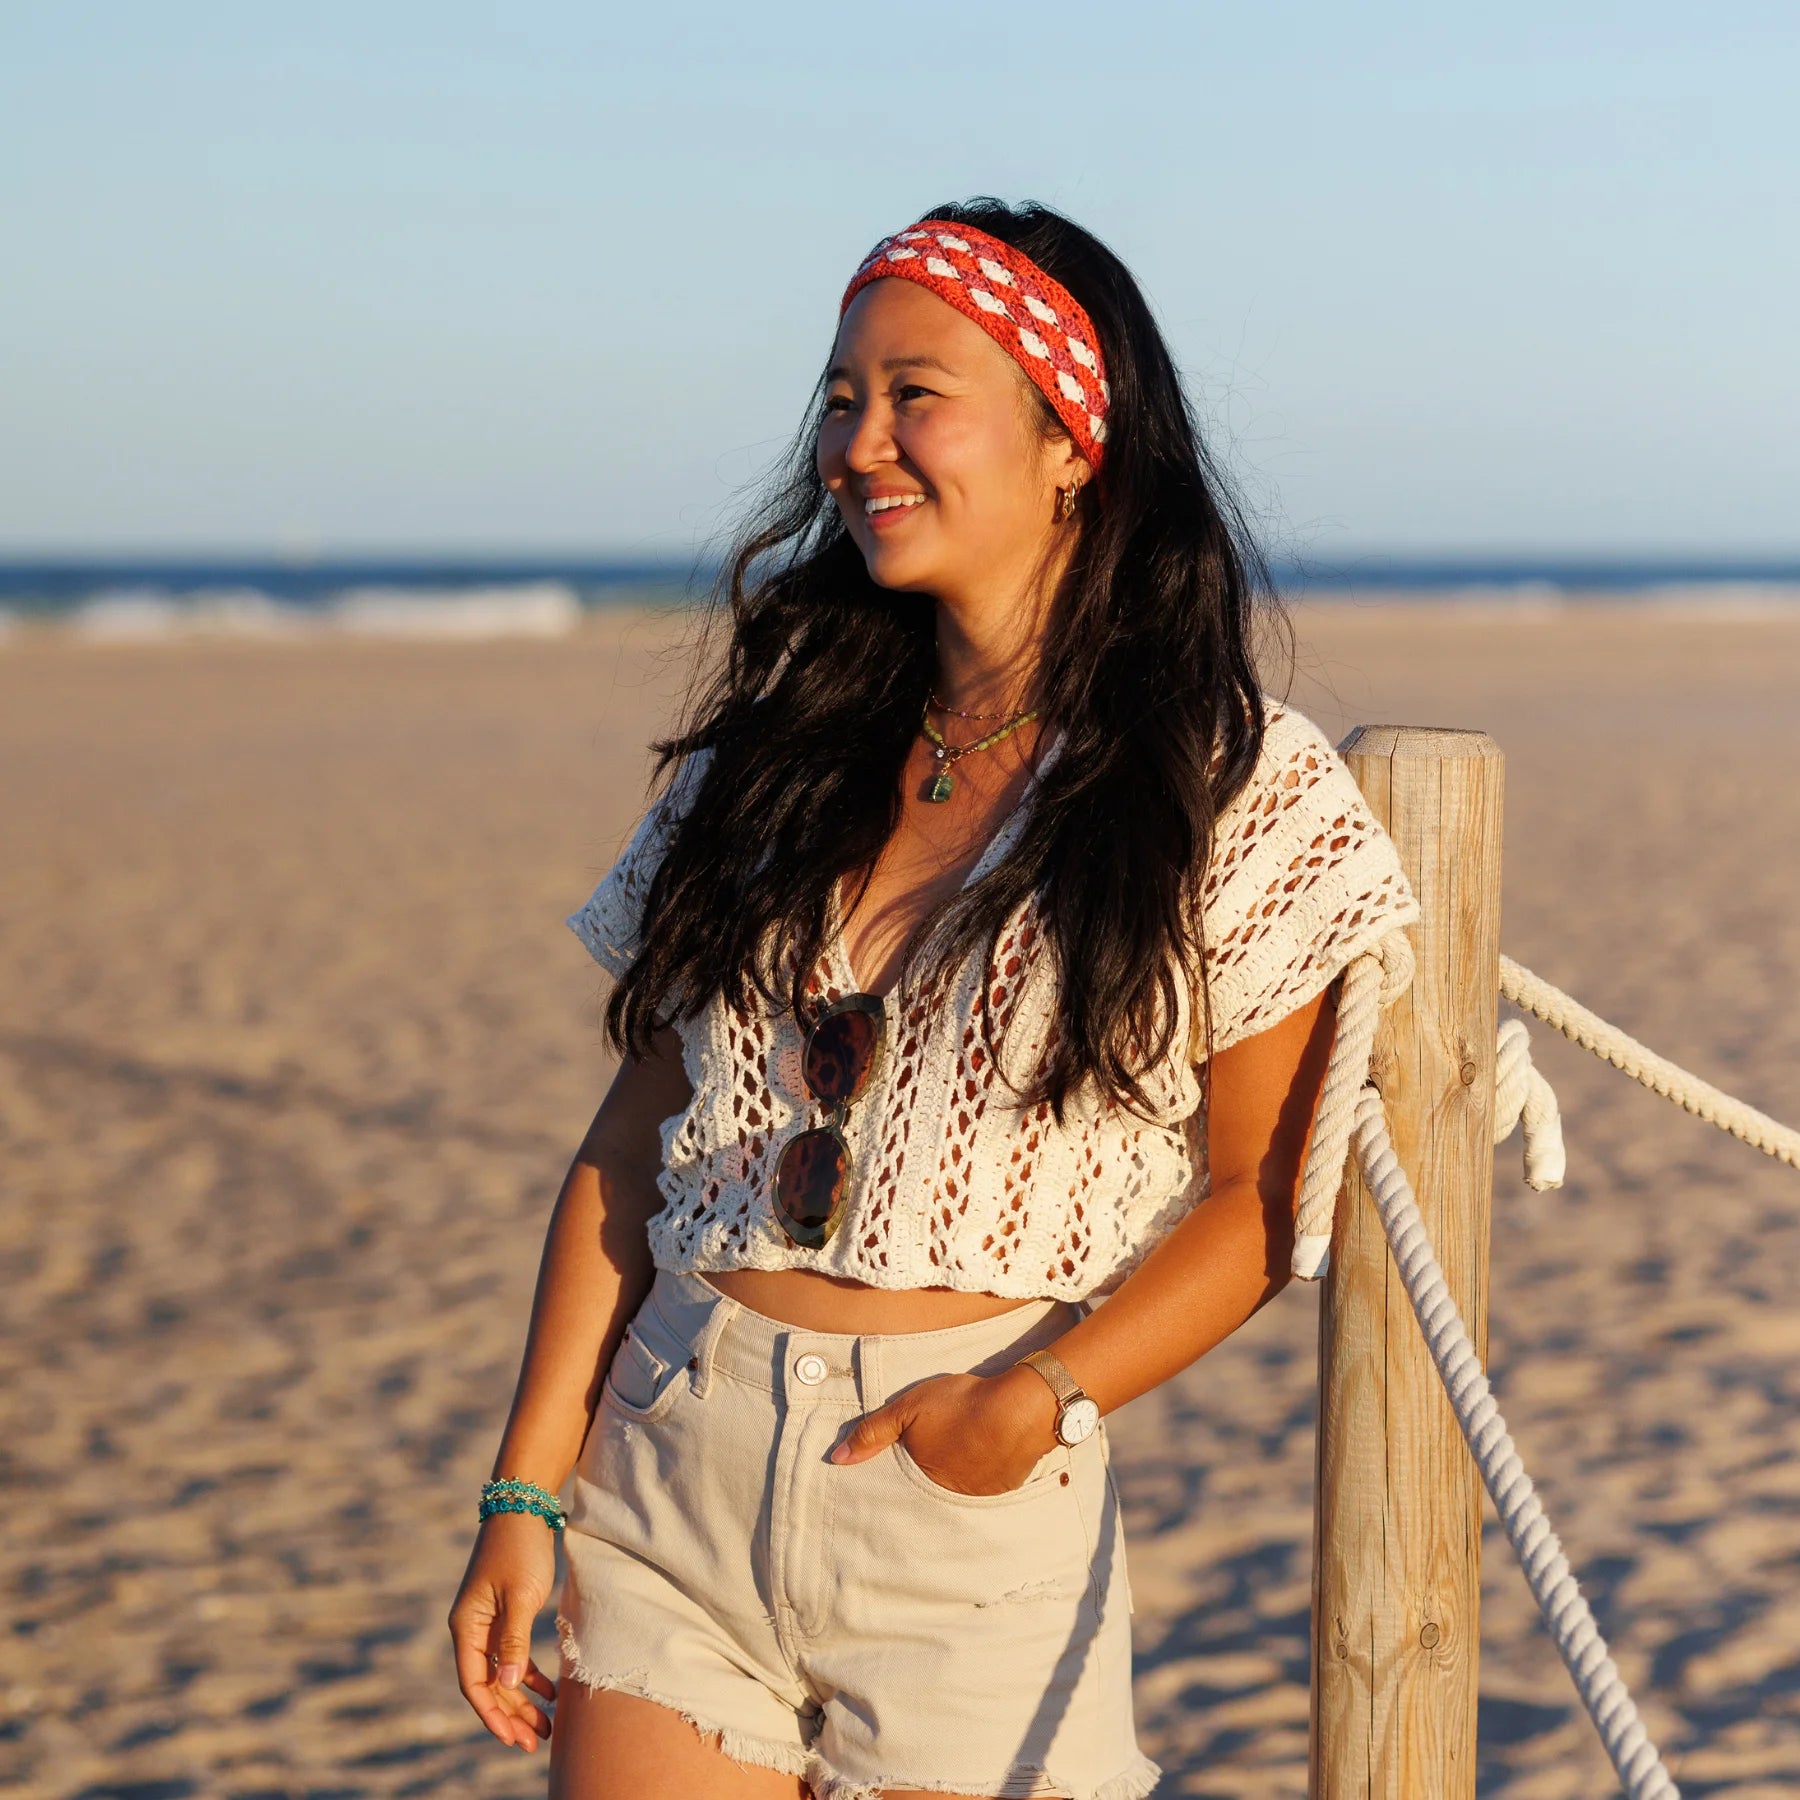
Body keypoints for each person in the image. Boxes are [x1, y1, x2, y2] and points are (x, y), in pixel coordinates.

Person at [448, 198, 1420, 1800]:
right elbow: (636, 1142)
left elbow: (1262, 1198)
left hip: (963, 1498)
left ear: (1068, 440)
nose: (860, 440)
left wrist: (1040, 1398)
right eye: (841, 396)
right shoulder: (776, 748)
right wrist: (525, 1491)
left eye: (917, 393)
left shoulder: (1233, 783)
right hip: (678, 1469)